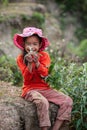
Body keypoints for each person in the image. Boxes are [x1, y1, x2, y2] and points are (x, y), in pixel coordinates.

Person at [13, 27, 73, 130]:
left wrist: (37, 63)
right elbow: (27, 79)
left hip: (45, 88)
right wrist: (30, 63)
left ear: (40, 45)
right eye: (28, 44)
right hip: (30, 89)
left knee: (67, 101)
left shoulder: (44, 56)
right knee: (42, 102)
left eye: (35, 44)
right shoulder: (20, 58)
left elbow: (45, 74)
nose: (31, 47)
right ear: (24, 44)